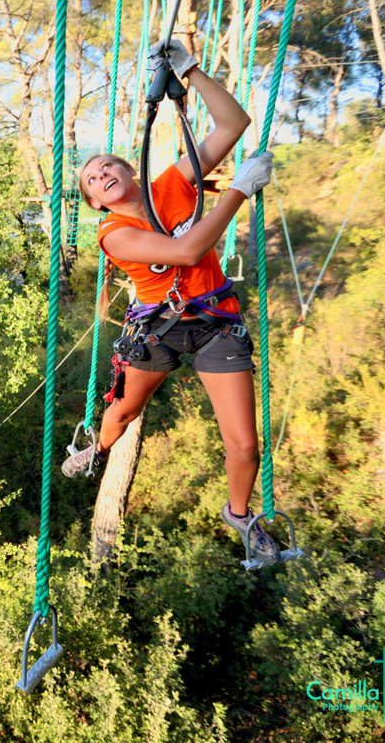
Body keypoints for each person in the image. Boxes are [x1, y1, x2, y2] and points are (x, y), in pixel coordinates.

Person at [60, 38, 280, 565]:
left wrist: (193, 72)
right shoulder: (113, 232)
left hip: (215, 324)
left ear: (130, 171)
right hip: (156, 328)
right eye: (92, 179)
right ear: (94, 203)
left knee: (245, 444)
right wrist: (239, 192)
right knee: (122, 411)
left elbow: (233, 126)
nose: (102, 174)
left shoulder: (170, 186)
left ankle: (239, 514)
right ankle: (99, 449)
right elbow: (186, 250)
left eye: (108, 167)